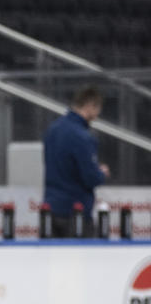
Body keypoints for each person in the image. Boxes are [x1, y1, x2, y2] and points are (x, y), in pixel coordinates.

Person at [43, 85, 110, 237]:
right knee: (82, 259)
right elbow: (90, 177)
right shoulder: (83, 136)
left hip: (51, 209)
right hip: (76, 212)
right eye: (98, 108)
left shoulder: (52, 130)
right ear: (90, 105)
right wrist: (101, 173)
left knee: (53, 259)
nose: (98, 114)